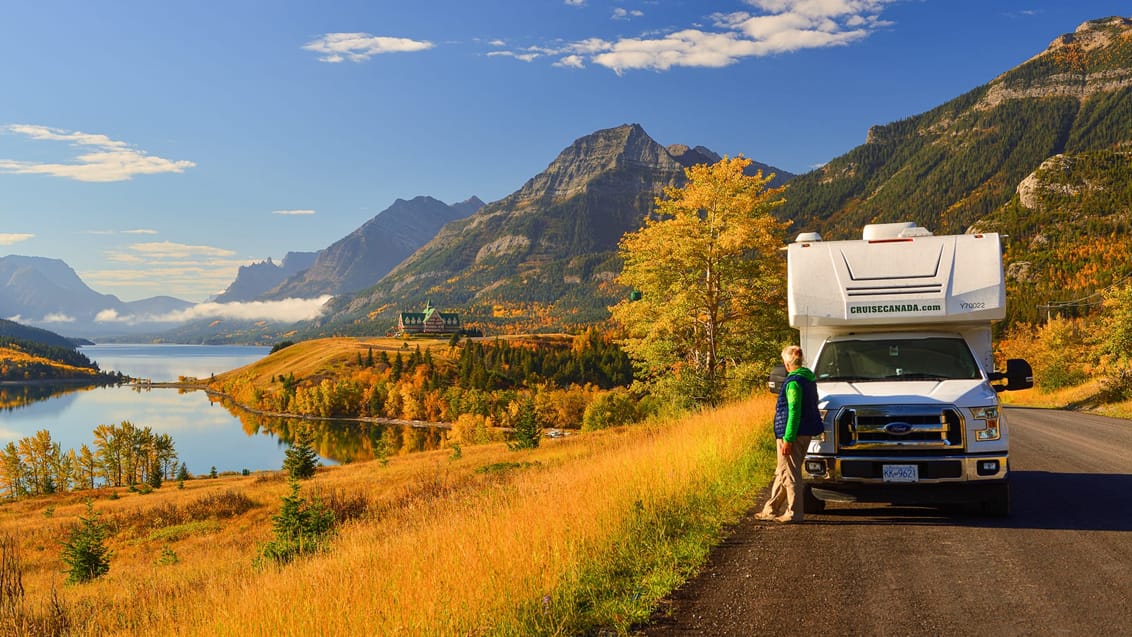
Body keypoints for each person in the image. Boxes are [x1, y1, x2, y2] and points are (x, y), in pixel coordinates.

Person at [757, 345, 823, 524]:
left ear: (787, 364)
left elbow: (794, 411)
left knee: (790, 474)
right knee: (783, 471)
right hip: (805, 432)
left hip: (792, 433)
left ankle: (794, 513)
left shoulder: (793, 382)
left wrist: (788, 438)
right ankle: (770, 509)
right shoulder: (808, 379)